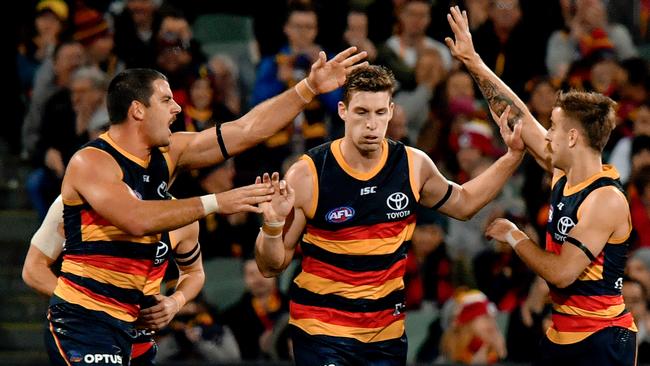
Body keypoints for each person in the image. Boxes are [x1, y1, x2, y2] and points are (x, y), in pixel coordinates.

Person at [45, 47, 367, 365]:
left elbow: (246, 130)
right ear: (137, 110)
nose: (177, 108)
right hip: (84, 321)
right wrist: (217, 202)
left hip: (135, 327)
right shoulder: (91, 161)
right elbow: (136, 218)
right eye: (166, 100)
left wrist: (307, 88)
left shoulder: (168, 153)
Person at [254, 64, 525, 365]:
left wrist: (512, 157)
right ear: (342, 110)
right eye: (361, 112)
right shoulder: (308, 175)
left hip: (386, 334)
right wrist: (272, 225)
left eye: (380, 113)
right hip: (322, 330)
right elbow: (271, 265)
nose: (371, 124)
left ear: (392, 110)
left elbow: (463, 203)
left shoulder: (412, 165)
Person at [446, 6, 637, 365]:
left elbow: (563, 274)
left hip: (602, 338)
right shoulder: (563, 173)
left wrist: (514, 236)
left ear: (573, 137)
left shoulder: (605, 199)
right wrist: (473, 61)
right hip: (563, 333)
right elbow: (518, 116)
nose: (545, 134)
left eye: (553, 127)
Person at [22, 195, 203, 365]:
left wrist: (175, 302)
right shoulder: (76, 197)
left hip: (139, 338)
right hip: (85, 329)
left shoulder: (180, 215)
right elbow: (33, 269)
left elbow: (194, 272)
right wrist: (83, 305)